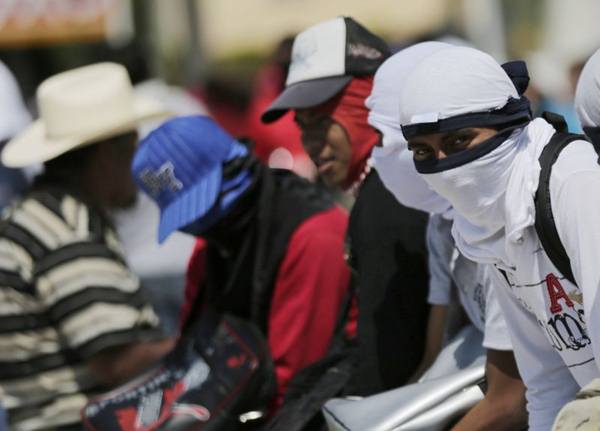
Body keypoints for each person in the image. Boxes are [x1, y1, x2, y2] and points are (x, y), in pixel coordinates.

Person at [397, 45, 600, 430]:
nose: (443, 165)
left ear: (509, 125)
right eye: (423, 150)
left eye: (459, 142)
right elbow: (547, 385)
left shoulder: (573, 188)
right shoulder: (492, 223)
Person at [132, 115, 352, 409]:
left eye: (206, 209)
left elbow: (298, 380)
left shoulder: (314, 235)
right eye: (190, 219)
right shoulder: (210, 245)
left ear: (233, 168)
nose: (201, 226)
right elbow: (191, 348)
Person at [0, 62, 175, 431]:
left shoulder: (44, 215)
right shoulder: (66, 230)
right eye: (131, 148)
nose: (139, 165)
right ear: (104, 155)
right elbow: (116, 359)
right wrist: (207, 345)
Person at [262, 16, 430, 395]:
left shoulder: (389, 198)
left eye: (322, 121)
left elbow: (388, 363)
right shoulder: (396, 178)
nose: (310, 142)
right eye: (303, 125)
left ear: (366, 102)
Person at [367, 42, 528, 430]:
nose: (377, 157)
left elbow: (512, 400)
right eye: (419, 149)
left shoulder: (511, 226)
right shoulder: (445, 224)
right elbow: (432, 362)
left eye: (457, 142)